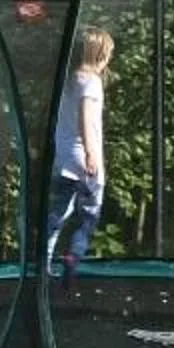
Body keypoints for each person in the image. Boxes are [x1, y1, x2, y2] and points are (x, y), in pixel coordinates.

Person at [45, 26, 112, 278]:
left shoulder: (68, 80)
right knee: (90, 213)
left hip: (63, 158)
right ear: (100, 55)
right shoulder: (92, 82)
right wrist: (91, 154)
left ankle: (44, 260)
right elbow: (86, 118)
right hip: (83, 156)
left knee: (59, 211)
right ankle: (74, 253)